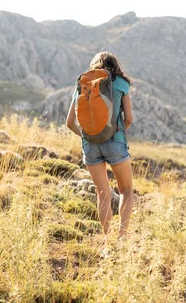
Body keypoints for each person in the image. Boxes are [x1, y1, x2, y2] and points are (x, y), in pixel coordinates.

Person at [66, 52, 134, 237]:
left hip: (90, 145)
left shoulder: (84, 84)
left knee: (102, 193)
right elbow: (128, 119)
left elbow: (70, 122)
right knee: (126, 191)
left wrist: (88, 136)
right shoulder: (121, 83)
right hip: (115, 142)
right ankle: (122, 238)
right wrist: (117, 132)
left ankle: (106, 242)